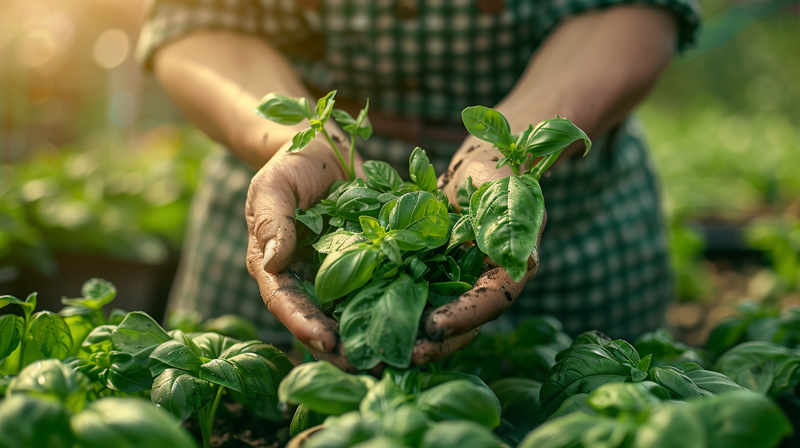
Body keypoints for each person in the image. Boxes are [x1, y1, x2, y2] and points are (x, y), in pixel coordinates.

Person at [137, 0, 700, 370]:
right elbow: (194, 19)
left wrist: (506, 150)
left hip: (573, 225)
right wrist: (298, 139)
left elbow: (642, 9)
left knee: (581, 397)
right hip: (302, 208)